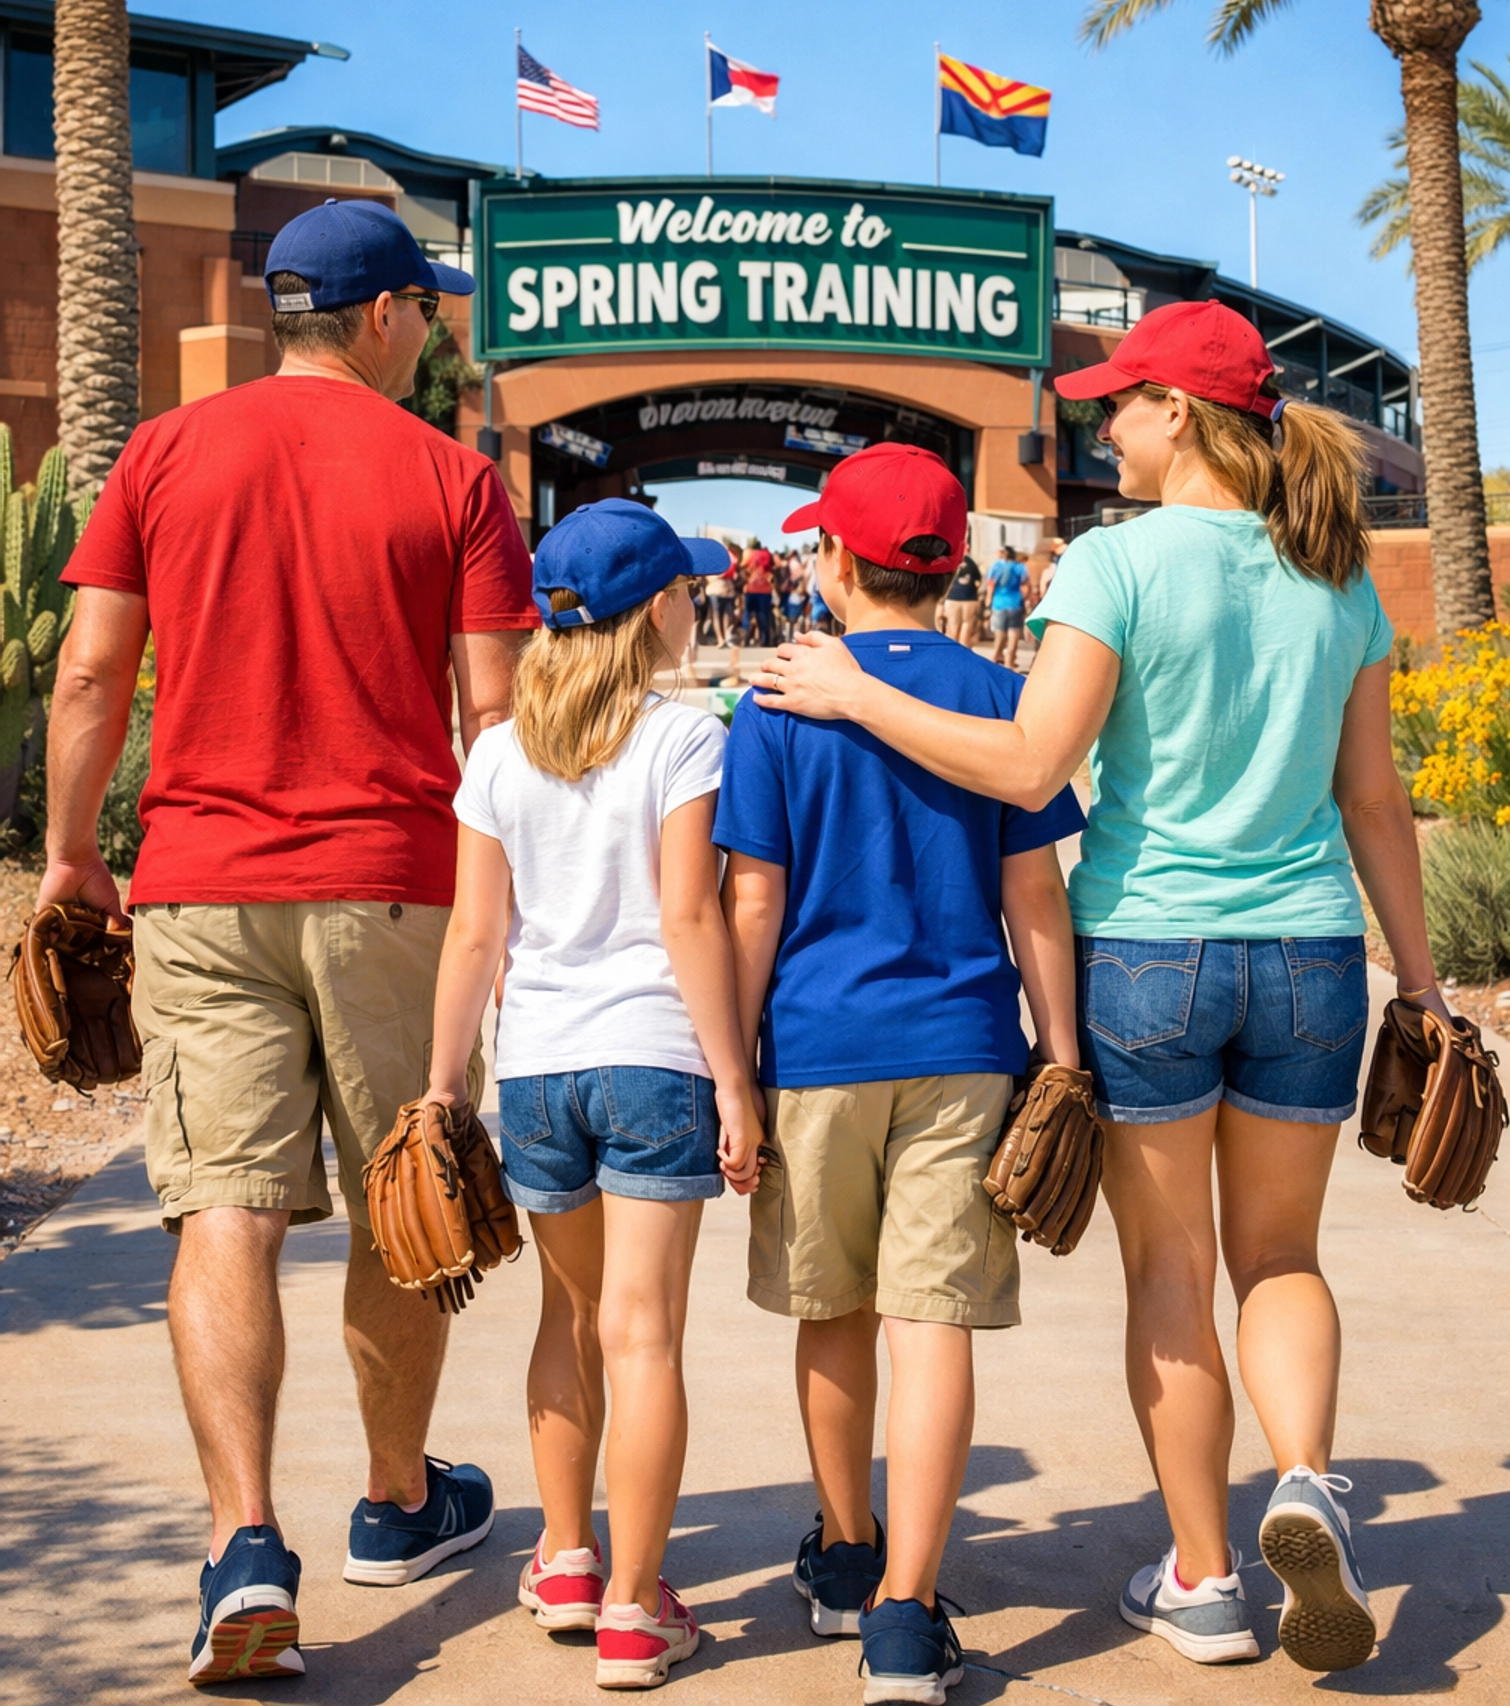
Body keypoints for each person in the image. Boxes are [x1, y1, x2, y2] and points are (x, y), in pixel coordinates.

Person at [755, 301, 1449, 1676]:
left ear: (1177, 417)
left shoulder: (1116, 568)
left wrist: (853, 694)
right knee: (1285, 1261)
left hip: (1149, 952)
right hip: (1312, 952)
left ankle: (1202, 1576)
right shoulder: (1340, 578)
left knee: (1175, 1271)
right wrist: (1423, 988)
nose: (1102, 426)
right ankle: (1303, 1477)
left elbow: (1028, 769)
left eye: (1118, 404)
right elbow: (1374, 802)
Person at [41, 198, 539, 1686]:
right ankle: (395, 1503)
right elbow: (495, 725)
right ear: (381, 315)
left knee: (224, 1212)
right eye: (427, 312)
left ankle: (245, 1542)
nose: (435, 336)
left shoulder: (163, 453)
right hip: (394, 884)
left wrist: (74, 855)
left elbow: (86, 672)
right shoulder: (453, 477)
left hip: (199, 884)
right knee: (410, 1188)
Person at [718, 445, 1085, 1705]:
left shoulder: (776, 700)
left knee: (834, 1311)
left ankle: (845, 1555)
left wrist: (737, 1065)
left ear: (831, 563)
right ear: (946, 568)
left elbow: (751, 900)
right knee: (935, 1325)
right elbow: (1033, 894)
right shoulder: (997, 697)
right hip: (968, 1048)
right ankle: (906, 1617)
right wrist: (1067, 1052)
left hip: (818, 1049)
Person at [424, 500, 762, 1689]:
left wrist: (440, 1089)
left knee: (569, 1323)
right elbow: (688, 916)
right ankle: (632, 1609)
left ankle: (566, 1558)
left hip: (536, 1070)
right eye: (683, 593)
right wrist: (735, 1079)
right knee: (644, 1333)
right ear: (654, 613)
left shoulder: (498, 753)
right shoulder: (682, 739)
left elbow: (475, 935)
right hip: (654, 1060)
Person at [984, 544, 1027, 668]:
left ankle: (996, 656)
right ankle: (1010, 660)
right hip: (1015, 602)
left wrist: (988, 600)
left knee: (1000, 632)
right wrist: (1024, 599)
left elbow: (990, 584)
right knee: (1014, 631)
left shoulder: (995, 566)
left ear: (1003, 553)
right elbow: (1025, 585)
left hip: (999, 603)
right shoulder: (1019, 567)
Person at [940, 541, 984, 649]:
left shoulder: (950, 561)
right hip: (969, 598)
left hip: (952, 597)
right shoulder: (972, 564)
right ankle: (963, 650)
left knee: (953, 626)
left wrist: (941, 601)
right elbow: (978, 581)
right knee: (967, 625)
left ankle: (951, 651)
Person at [741, 536, 777, 647]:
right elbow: (773, 570)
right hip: (765, 590)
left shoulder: (748, 554)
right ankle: (764, 640)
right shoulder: (767, 555)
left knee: (748, 613)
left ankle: (746, 637)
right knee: (763, 615)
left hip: (751, 588)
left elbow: (742, 568)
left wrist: (747, 579)